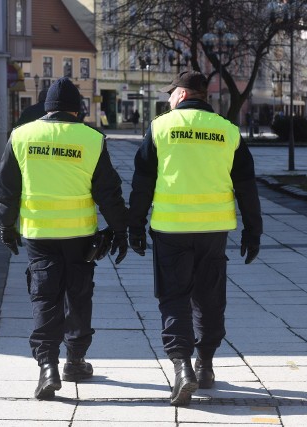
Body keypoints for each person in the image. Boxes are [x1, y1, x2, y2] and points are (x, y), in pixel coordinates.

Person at [127, 70, 263, 407]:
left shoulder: (161, 127)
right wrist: (253, 229)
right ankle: (205, 362)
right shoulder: (228, 131)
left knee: (174, 297)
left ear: (183, 94)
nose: (168, 98)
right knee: (209, 296)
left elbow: (142, 182)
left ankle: (182, 366)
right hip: (214, 230)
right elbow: (246, 185)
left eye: (171, 93)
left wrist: (134, 225)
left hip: (171, 229)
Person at [0, 77, 129, 400]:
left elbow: (7, 188)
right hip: (79, 236)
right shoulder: (91, 140)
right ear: (77, 110)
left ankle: (47, 367)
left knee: (44, 297)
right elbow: (108, 193)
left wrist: (6, 226)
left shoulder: (21, 136)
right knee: (78, 296)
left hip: (39, 235)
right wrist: (121, 230)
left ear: (47, 108)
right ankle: (76, 360)